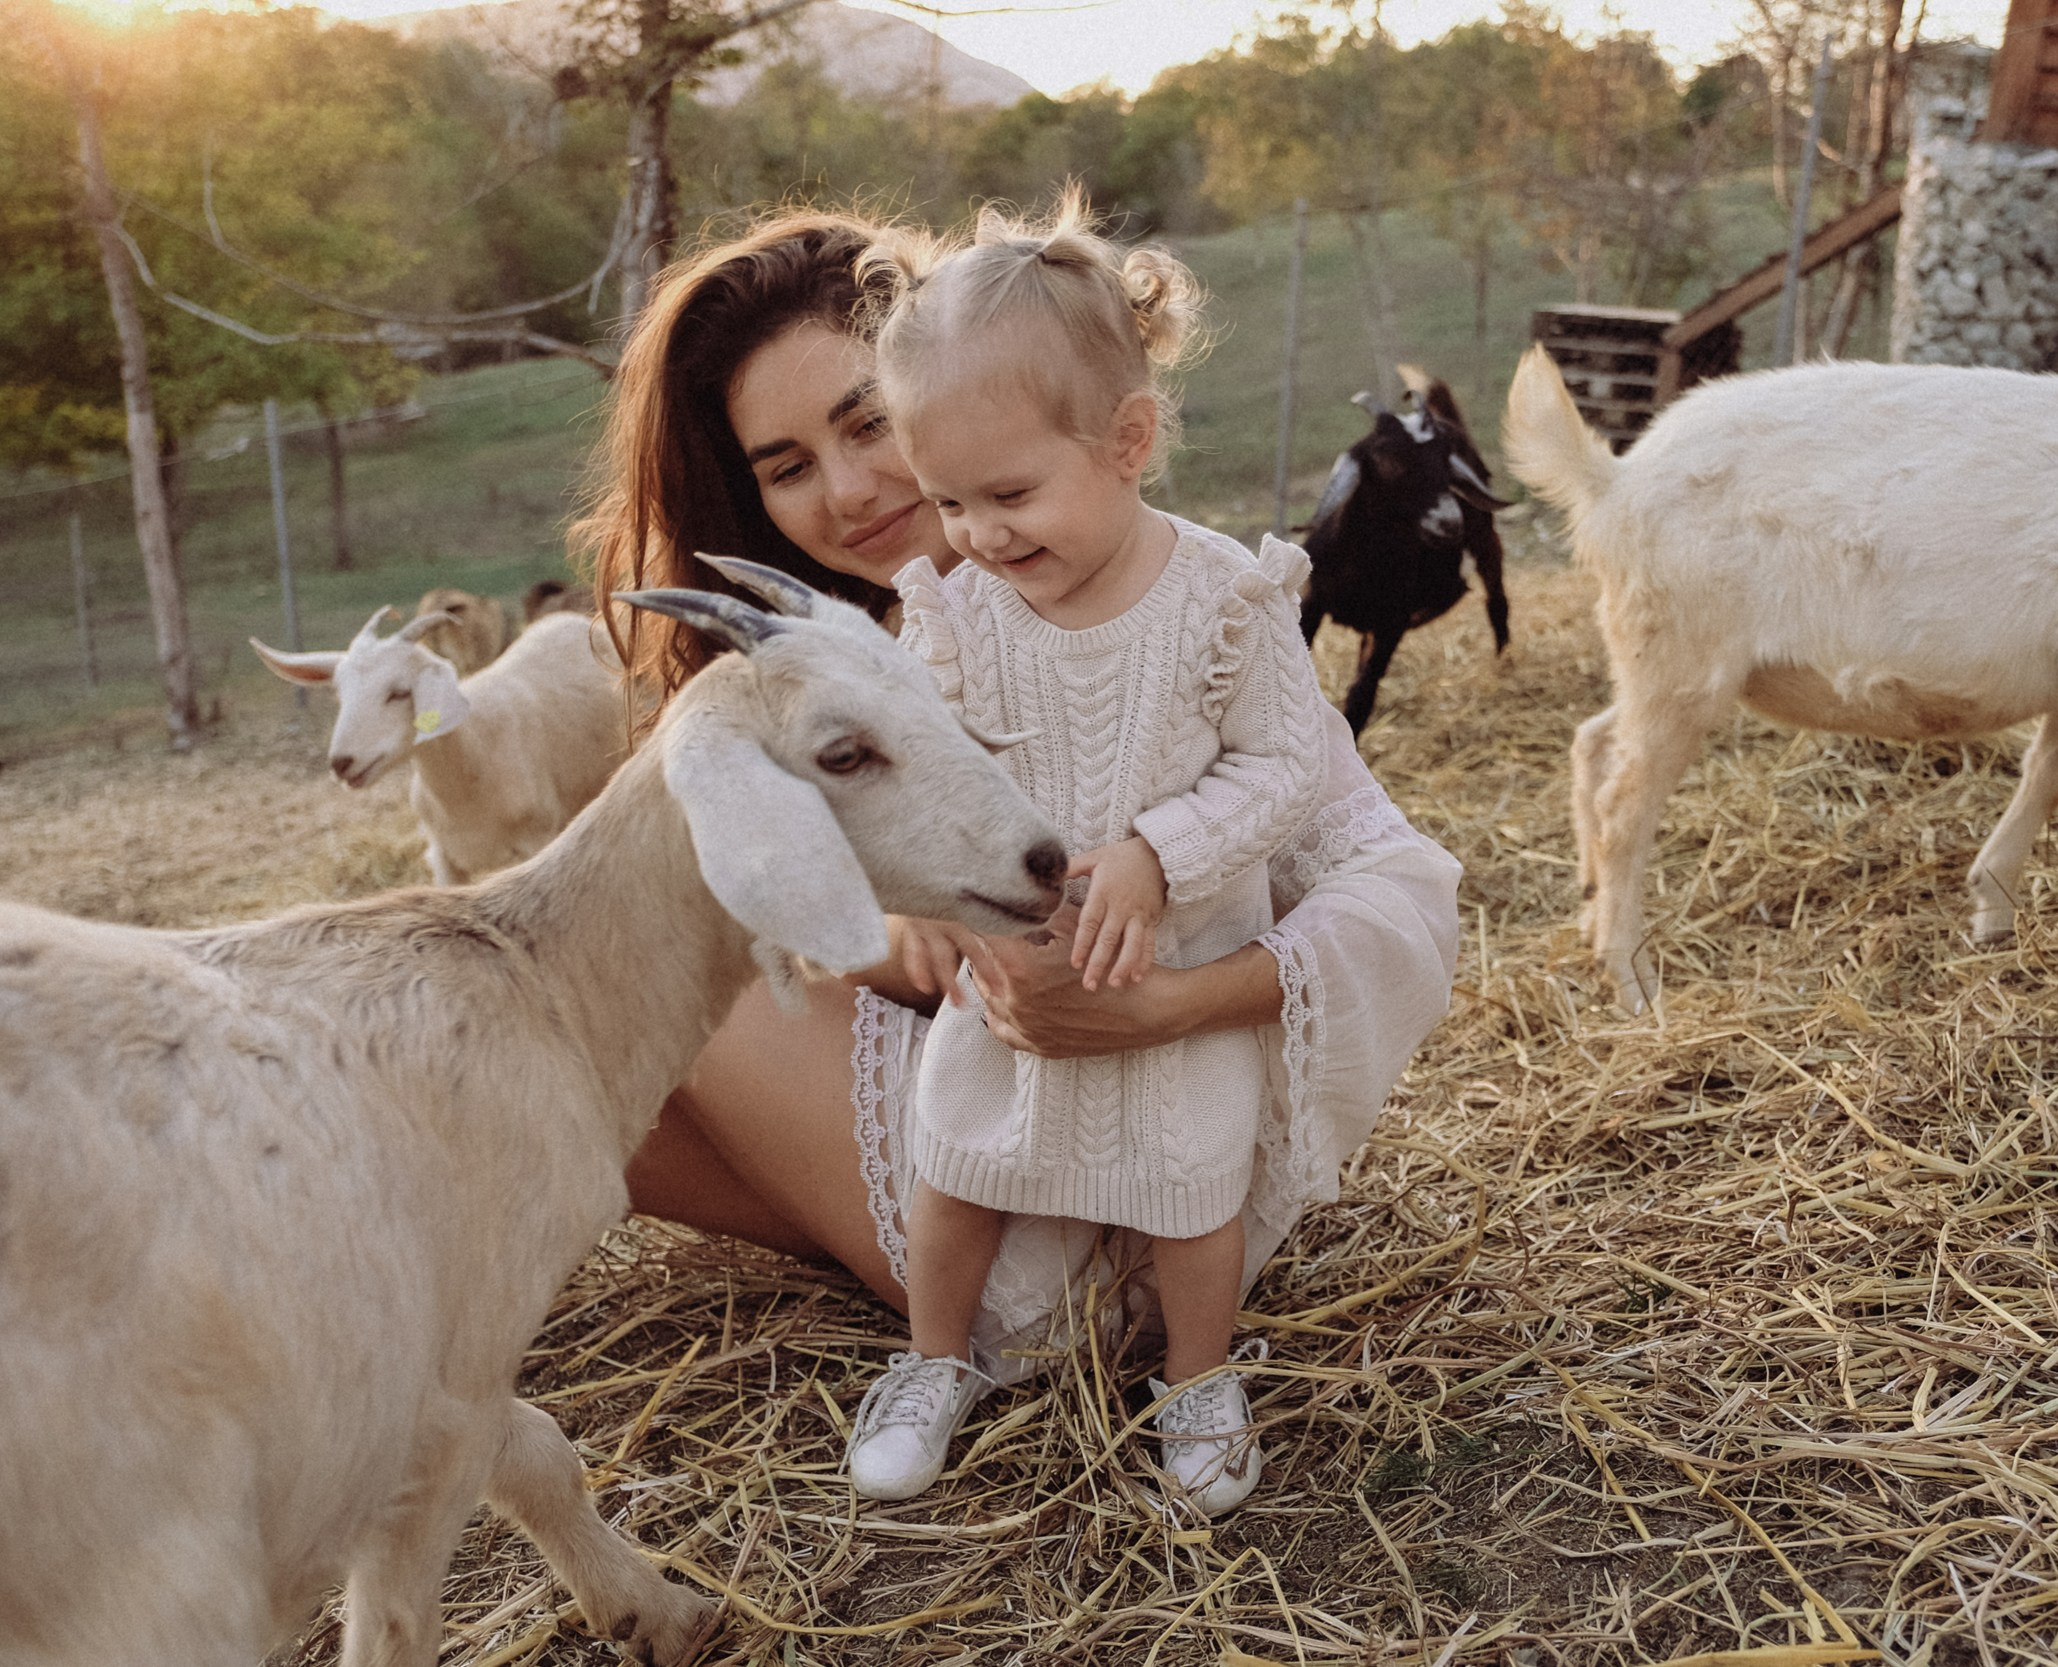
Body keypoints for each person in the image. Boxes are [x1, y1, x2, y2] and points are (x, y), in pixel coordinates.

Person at [577, 205, 1460, 1513]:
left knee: (623, 965)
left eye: (866, 423)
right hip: (977, 1126)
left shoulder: (1180, 606)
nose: (852, 490)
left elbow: (1401, 891)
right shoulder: (848, 657)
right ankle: (948, 1310)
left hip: (1162, 1157)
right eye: (786, 464)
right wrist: (893, 943)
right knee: (607, 1019)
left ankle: (1081, 1322)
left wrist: (1162, 1005)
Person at [845, 201, 1329, 1514]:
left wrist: (1162, 855)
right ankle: (934, 1361)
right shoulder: (956, 614)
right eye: (948, 501)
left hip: (1169, 972)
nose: (981, 533)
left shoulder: (1221, 599)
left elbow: (1290, 767)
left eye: (1010, 495)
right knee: (956, 1162)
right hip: (1011, 973)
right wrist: (943, 899)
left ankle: (1199, 1376)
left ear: (1128, 443)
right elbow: (900, 771)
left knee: (1191, 1191)